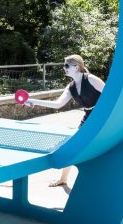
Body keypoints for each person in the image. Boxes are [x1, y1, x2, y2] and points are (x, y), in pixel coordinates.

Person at [25, 54, 105, 188]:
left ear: (77, 66)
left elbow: (110, 94)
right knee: (73, 145)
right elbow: (58, 104)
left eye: (67, 65)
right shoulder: (71, 87)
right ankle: (63, 179)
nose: (64, 68)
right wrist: (33, 101)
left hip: (101, 116)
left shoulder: (91, 79)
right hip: (87, 117)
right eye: (64, 65)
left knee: (96, 148)